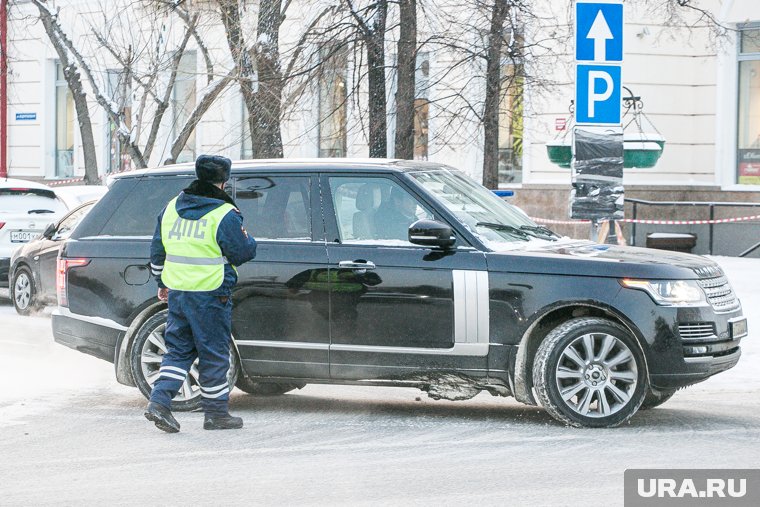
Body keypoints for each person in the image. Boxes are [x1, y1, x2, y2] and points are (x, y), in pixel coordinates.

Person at [145, 155, 257, 433]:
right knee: (214, 352)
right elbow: (242, 252)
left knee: (178, 350)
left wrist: (161, 281)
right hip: (210, 294)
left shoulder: (171, 207)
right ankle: (216, 414)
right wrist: (250, 239)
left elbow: (157, 252)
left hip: (179, 294)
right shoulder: (223, 214)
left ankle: (159, 402)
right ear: (224, 180)